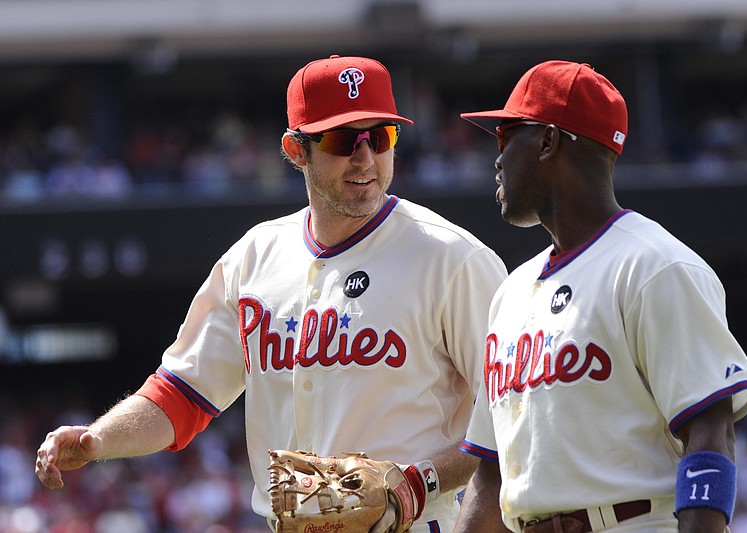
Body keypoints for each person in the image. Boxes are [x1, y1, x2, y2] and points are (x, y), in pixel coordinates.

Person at [35, 55, 508, 532]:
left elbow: (511, 417)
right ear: (296, 149)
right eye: (344, 140)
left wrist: (416, 482)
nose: (365, 158)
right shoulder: (254, 257)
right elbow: (180, 395)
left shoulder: (453, 259)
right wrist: (98, 439)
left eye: (381, 137)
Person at [452, 60, 747, 533]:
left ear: (548, 141)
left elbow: (709, 430)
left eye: (504, 135)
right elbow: (491, 475)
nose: (496, 158)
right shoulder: (511, 291)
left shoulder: (655, 266)